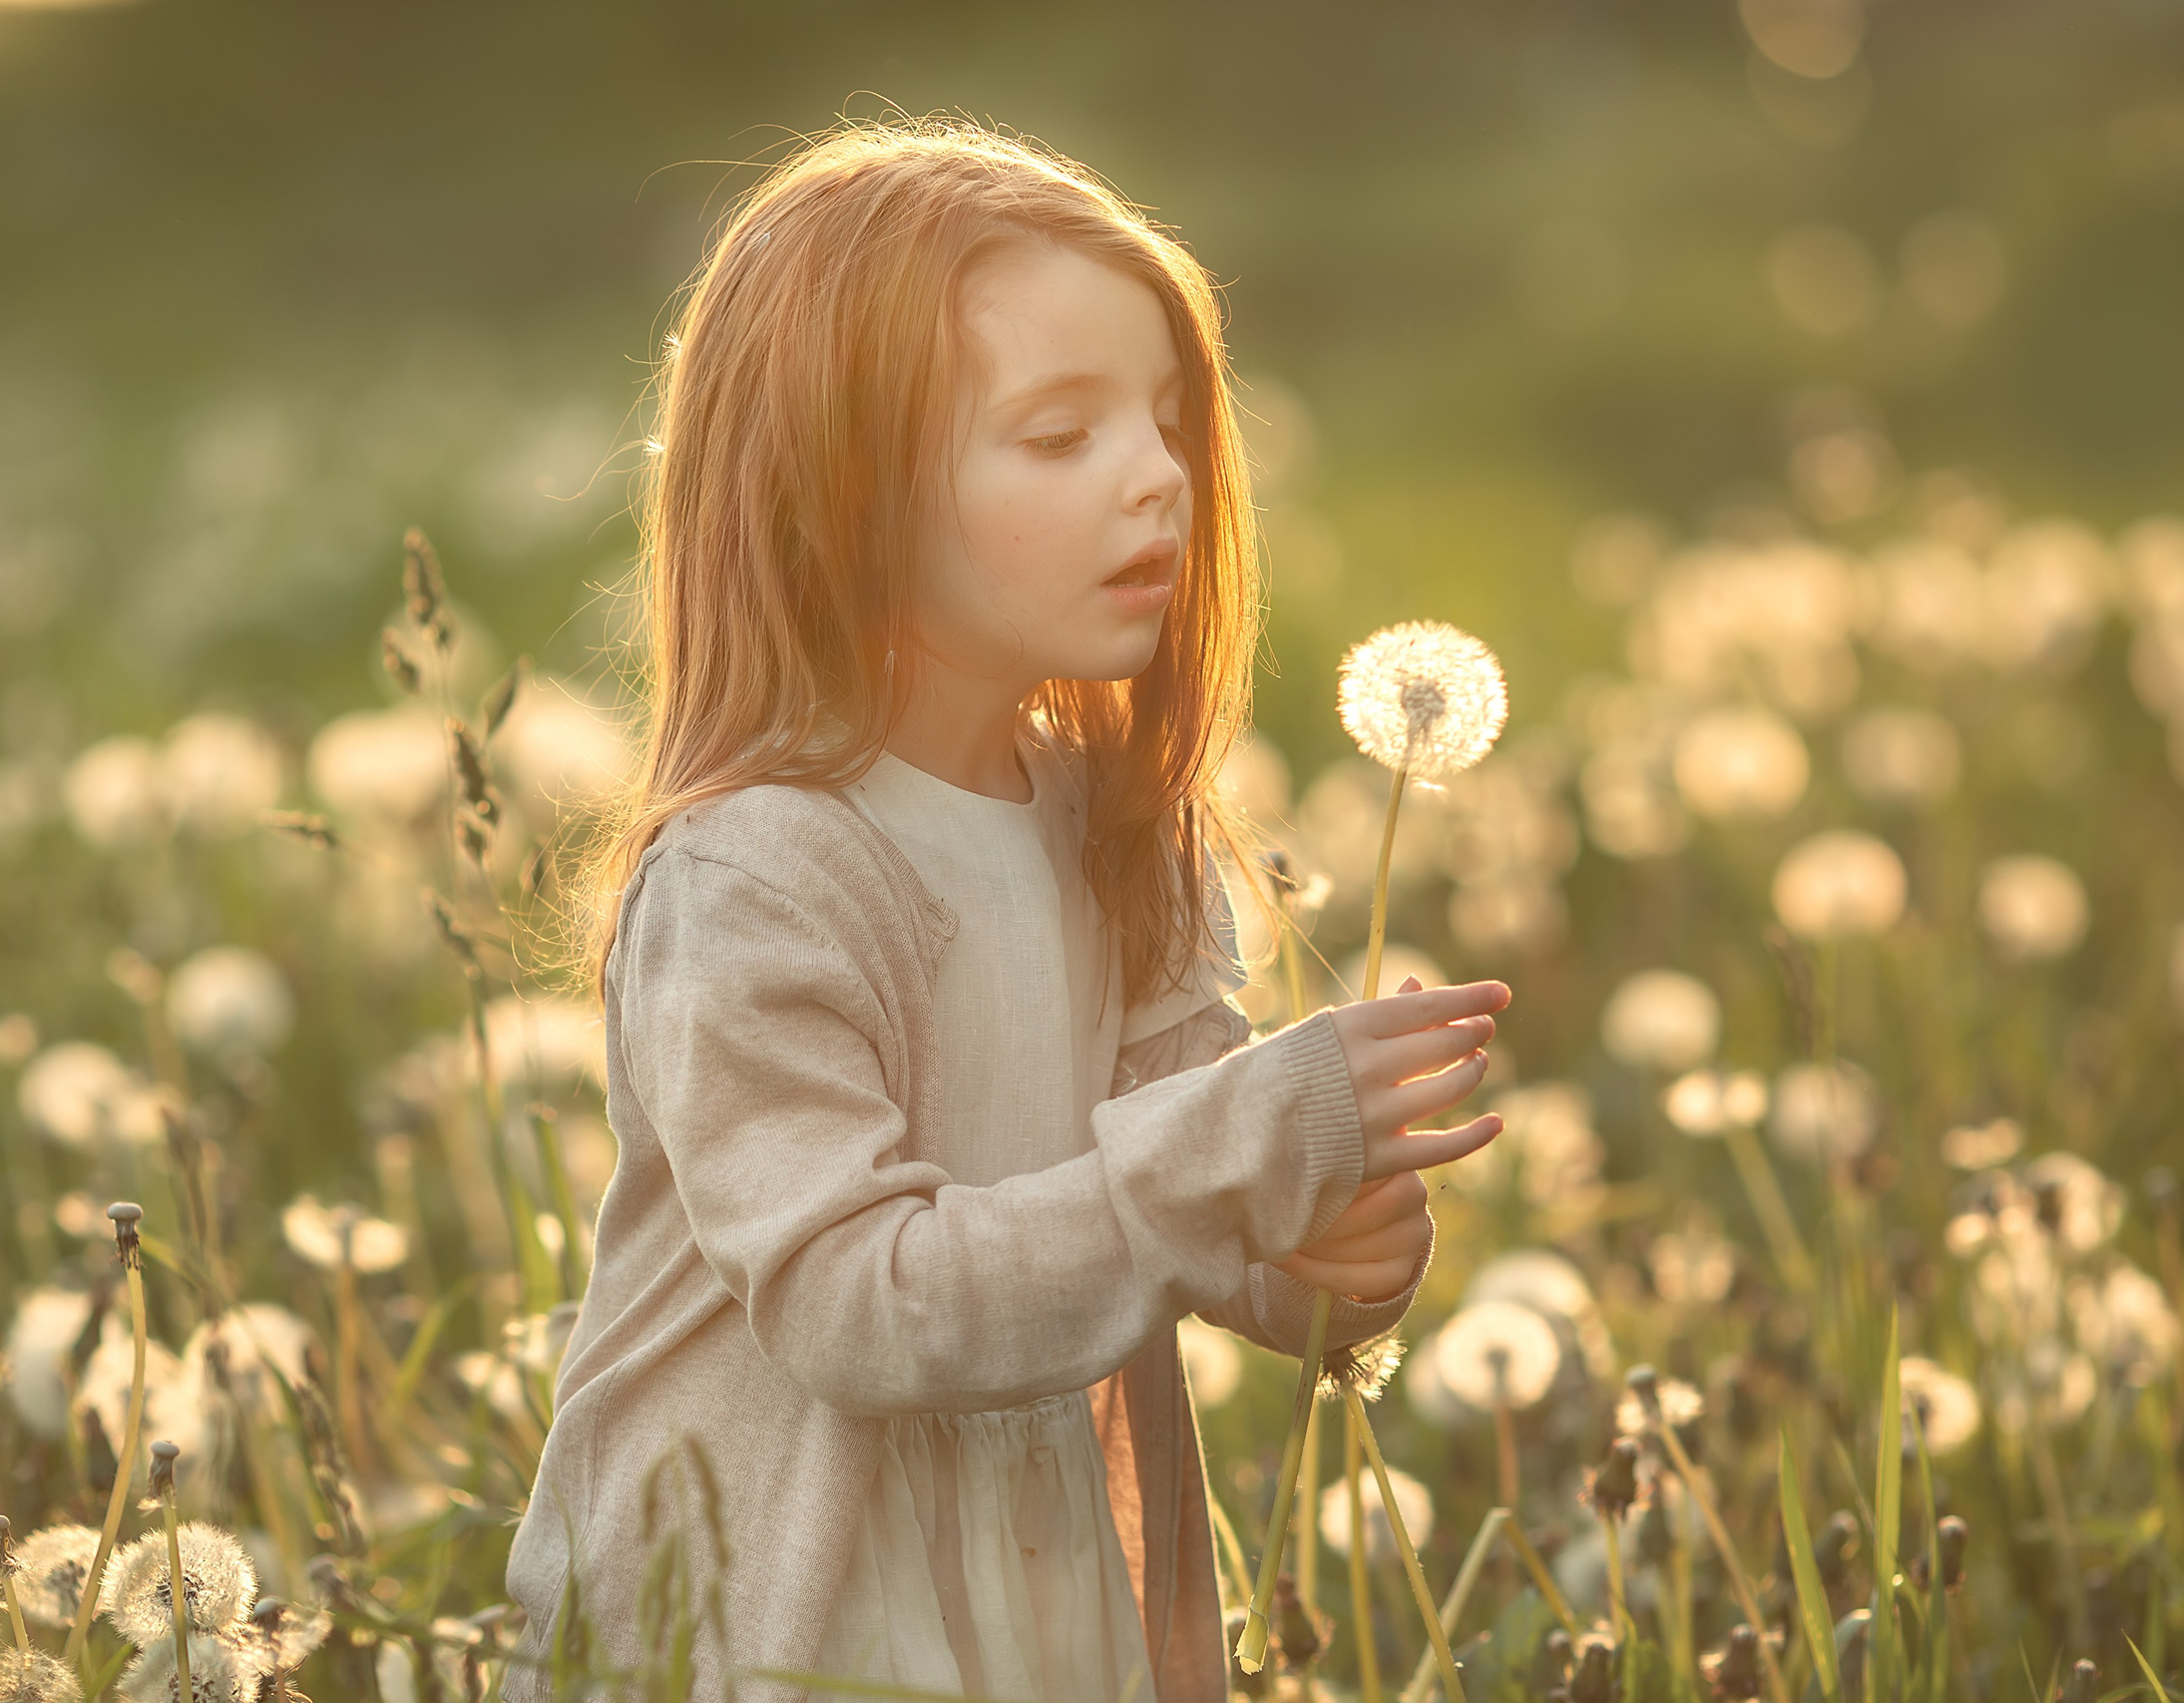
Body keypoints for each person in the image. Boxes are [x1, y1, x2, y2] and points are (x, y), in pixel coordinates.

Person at [503, 116, 1512, 1703]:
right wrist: (1247, 1145)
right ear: (840, 495)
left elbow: (1187, 1212)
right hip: (767, 1621)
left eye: (1169, 422)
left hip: (1045, 1608)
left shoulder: (1130, 838)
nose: (1160, 477)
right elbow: (858, 1306)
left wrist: (1335, 1250)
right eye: (1060, 437)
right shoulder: (754, 879)